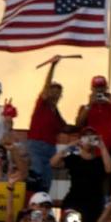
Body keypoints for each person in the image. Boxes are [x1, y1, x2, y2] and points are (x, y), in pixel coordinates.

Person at [26, 55, 68, 190]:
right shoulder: (42, 105)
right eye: (53, 91)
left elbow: (67, 128)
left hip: (50, 150)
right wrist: (53, 66)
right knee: (35, 179)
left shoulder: (56, 113)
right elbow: (45, 87)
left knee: (46, 183)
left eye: (58, 92)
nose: (55, 94)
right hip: (37, 147)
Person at [76, 75, 111, 149]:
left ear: (106, 89)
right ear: (92, 89)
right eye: (97, 88)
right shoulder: (85, 108)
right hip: (92, 150)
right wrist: (89, 104)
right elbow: (79, 124)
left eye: (101, 87)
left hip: (109, 149)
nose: (99, 90)